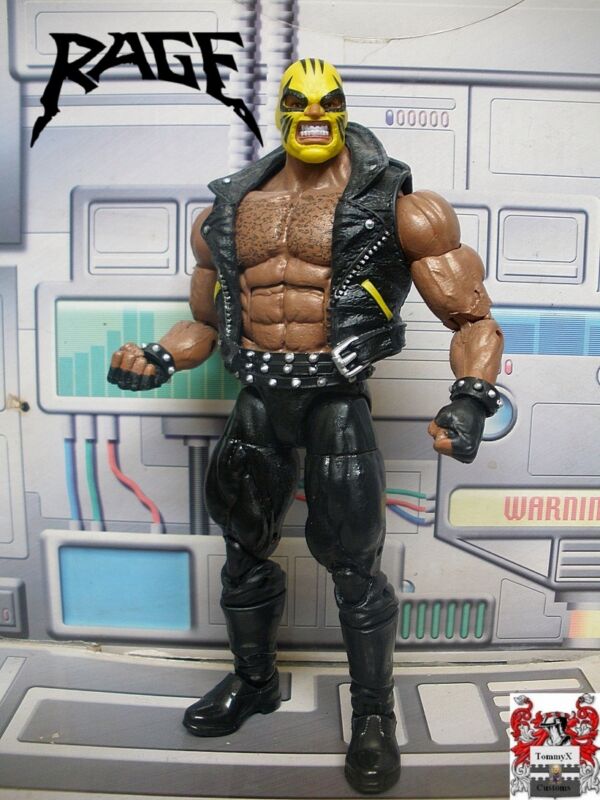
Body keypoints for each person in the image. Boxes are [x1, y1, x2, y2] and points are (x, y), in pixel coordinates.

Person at [108, 58, 503, 794]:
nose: (315, 114)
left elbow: (472, 317)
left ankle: (374, 712)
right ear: (283, 111)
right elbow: (203, 322)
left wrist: (471, 400)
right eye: (301, 102)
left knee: (354, 566)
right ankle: (254, 681)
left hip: (335, 401)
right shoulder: (228, 212)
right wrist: (159, 357)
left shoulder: (401, 207)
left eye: (329, 103)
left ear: (342, 109)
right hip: (257, 396)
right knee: (242, 550)